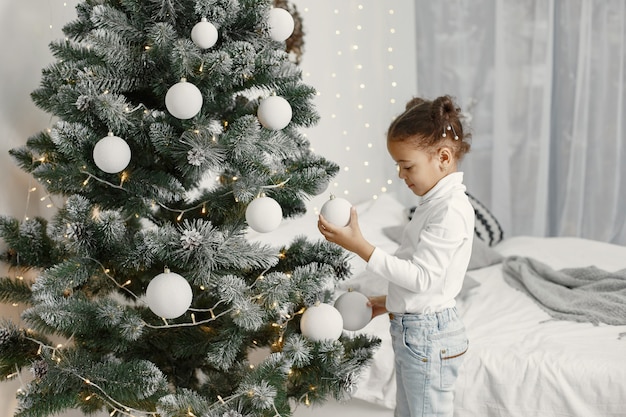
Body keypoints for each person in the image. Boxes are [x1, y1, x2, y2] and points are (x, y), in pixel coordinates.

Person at [318, 95, 474, 417]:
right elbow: (423, 280)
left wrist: (360, 245)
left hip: (428, 335)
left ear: (443, 157)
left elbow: (422, 277)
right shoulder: (434, 203)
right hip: (418, 331)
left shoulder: (450, 211)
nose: (401, 176)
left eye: (407, 166)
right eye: (398, 166)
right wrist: (385, 301)